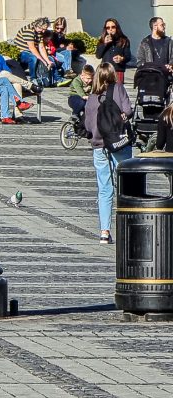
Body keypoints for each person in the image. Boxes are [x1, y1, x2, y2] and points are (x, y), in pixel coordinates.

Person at [84, 63, 133, 245]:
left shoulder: (91, 97)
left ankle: (104, 231)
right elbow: (128, 110)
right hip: (119, 143)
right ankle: (129, 226)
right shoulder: (118, 88)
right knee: (128, 185)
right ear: (112, 75)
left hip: (99, 146)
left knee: (104, 189)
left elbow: (88, 126)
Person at [14, 17, 54, 83]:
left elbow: (41, 47)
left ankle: (55, 79)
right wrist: (42, 60)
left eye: (45, 29)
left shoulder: (39, 31)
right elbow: (32, 48)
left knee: (50, 59)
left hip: (31, 51)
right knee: (33, 58)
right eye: (42, 29)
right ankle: (33, 78)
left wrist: (47, 61)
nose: (43, 31)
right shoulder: (28, 30)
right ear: (37, 25)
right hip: (22, 52)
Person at [95, 18, 132, 84]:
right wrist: (105, 44)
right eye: (108, 28)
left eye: (113, 27)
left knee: (117, 92)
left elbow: (128, 56)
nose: (110, 29)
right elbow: (98, 55)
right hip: (105, 71)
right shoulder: (102, 40)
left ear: (117, 28)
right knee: (105, 92)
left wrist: (121, 58)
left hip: (118, 70)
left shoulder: (124, 40)